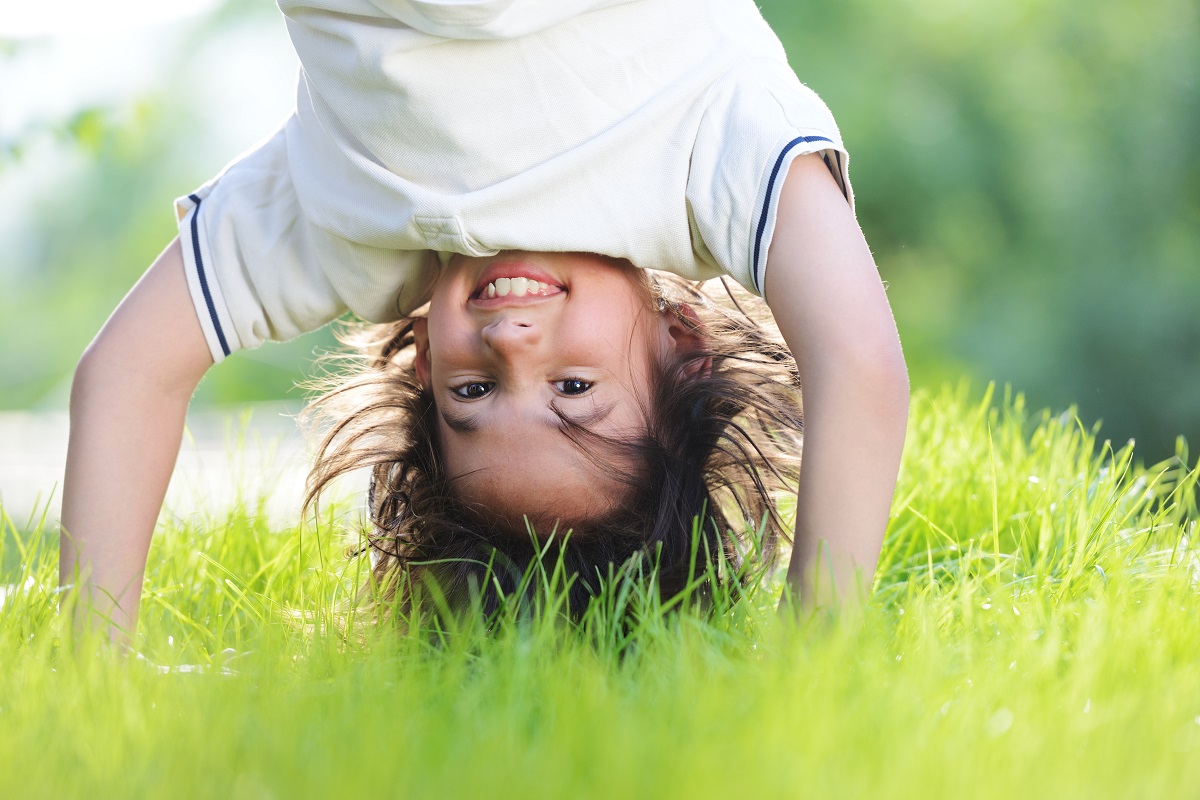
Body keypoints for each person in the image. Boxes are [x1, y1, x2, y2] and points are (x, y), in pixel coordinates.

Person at [60, 0, 910, 640]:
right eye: (574, 388)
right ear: (680, 347)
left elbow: (126, 377)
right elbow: (857, 361)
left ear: (423, 360)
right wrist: (814, 659)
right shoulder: (708, 154)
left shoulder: (354, 228)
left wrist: (94, 669)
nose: (510, 345)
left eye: (473, 392)